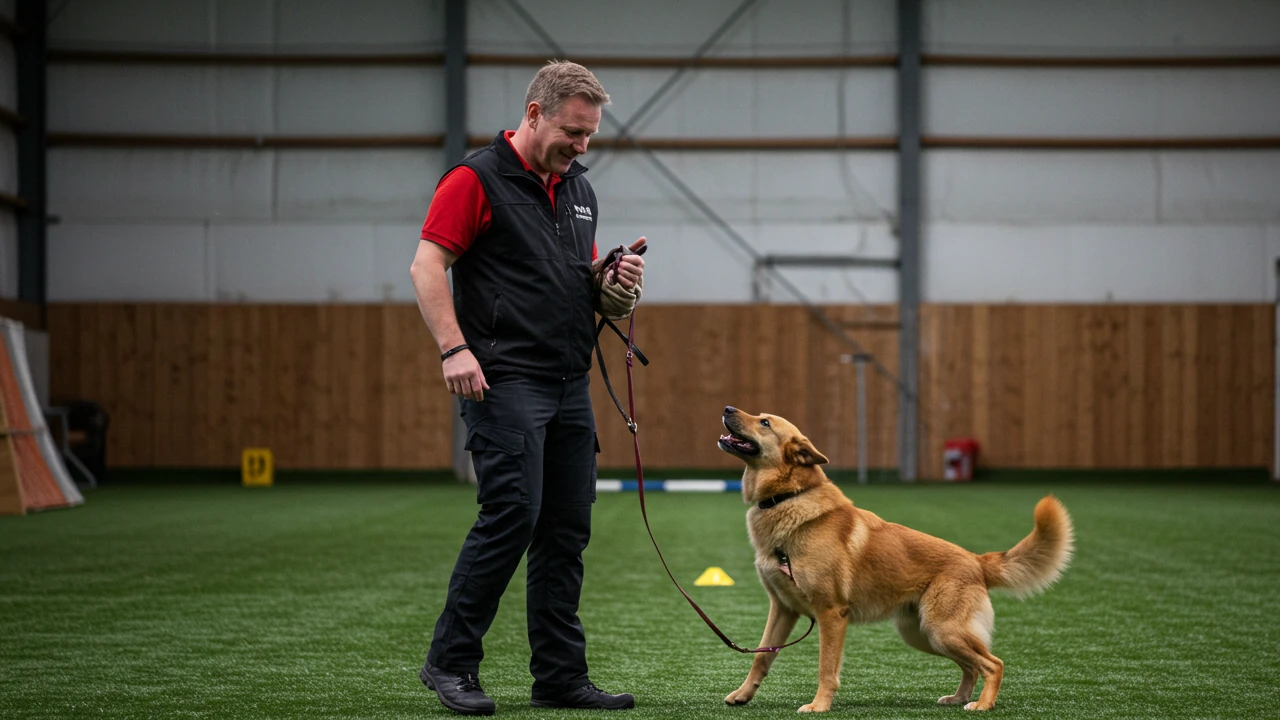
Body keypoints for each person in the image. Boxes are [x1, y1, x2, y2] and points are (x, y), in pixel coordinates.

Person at [409, 60, 646, 716]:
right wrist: (453, 348)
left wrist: (614, 288)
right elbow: (426, 265)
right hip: (503, 379)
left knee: (566, 529)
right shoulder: (473, 180)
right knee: (513, 513)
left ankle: (560, 677)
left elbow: (581, 288)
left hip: (570, 382)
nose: (582, 146)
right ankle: (450, 662)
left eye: (591, 135)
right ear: (534, 114)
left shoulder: (578, 190)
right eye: (573, 131)